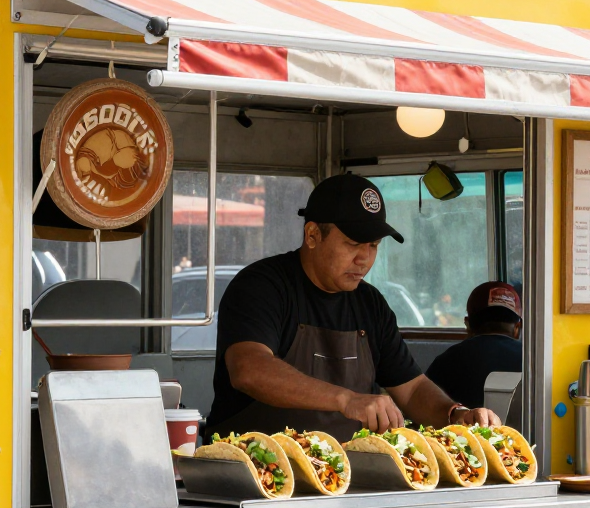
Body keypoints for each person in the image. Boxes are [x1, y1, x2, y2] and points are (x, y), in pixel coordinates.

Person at [204, 174, 498, 437]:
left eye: (373, 246)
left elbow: (411, 389)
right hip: (253, 473)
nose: (364, 259)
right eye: (352, 244)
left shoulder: (370, 304)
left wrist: (456, 414)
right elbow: (249, 369)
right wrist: (346, 399)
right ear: (312, 235)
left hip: (344, 477)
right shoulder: (263, 286)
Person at [425, 281, 523, 409]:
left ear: (467, 324)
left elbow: (424, 405)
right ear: (517, 328)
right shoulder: (532, 363)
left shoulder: (445, 361)